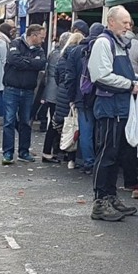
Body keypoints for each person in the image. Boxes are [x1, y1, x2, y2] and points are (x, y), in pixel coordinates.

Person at [88, 6, 138, 222]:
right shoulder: (104, 43)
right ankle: (100, 202)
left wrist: (137, 81)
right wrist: (130, 84)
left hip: (121, 109)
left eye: (129, 23)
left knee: (115, 157)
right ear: (111, 22)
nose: (128, 27)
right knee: (106, 156)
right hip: (109, 109)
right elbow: (101, 76)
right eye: (124, 22)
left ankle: (110, 197)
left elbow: (124, 73)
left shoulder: (121, 44)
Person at [1, 24, 46, 165]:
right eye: (42, 37)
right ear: (33, 35)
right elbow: (13, 59)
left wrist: (24, 62)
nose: (43, 40)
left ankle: (23, 151)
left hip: (28, 90)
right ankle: (8, 152)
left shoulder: (40, 50)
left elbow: (41, 64)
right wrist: (31, 63)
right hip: (12, 88)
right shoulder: (15, 43)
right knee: (9, 121)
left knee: (26, 122)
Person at [64, 23, 105, 174]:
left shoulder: (75, 51)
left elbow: (69, 77)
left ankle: (88, 162)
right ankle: (102, 162)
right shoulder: (105, 48)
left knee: (86, 131)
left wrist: (71, 97)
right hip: (102, 95)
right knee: (101, 131)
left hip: (82, 97)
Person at [52, 32, 85, 169]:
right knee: (75, 126)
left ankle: (60, 151)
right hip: (73, 94)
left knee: (64, 125)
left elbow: (56, 76)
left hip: (61, 92)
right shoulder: (80, 57)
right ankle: (72, 158)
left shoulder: (61, 57)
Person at [41, 32, 71, 163]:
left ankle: (52, 151)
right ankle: (48, 152)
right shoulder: (61, 55)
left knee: (54, 123)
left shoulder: (53, 53)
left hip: (51, 92)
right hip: (56, 93)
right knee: (54, 124)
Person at [0, 23, 15, 126]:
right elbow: (5, 59)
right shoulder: (2, 42)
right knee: (0, 93)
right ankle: (1, 117)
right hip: (0, 69)